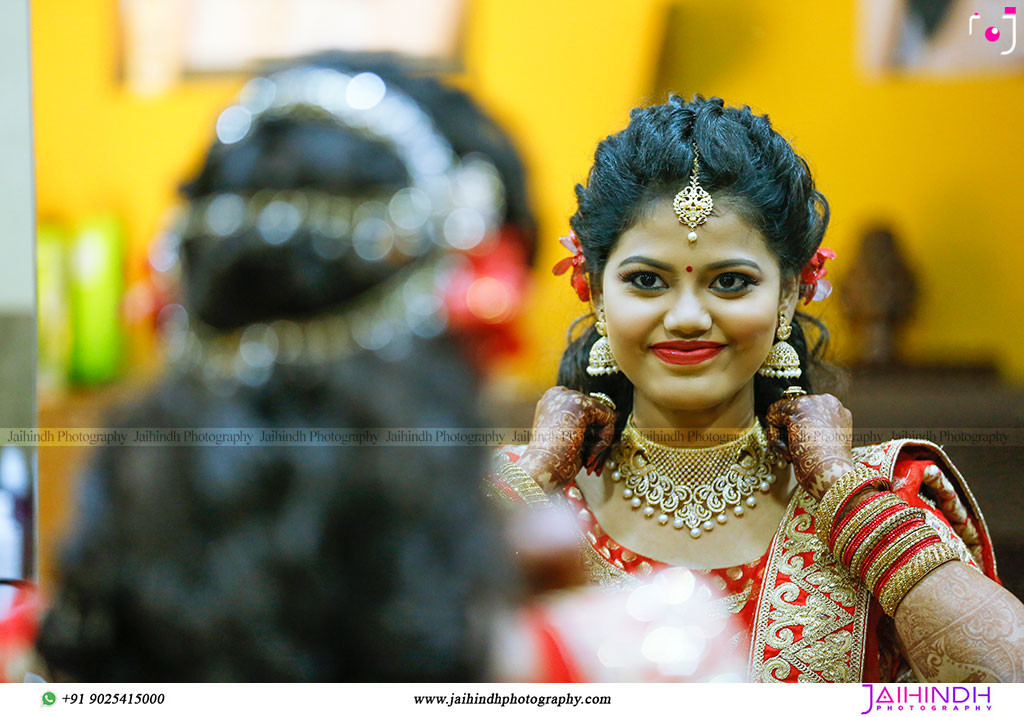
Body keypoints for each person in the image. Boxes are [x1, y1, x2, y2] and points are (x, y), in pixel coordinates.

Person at [489, 94, 1024, 682]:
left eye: (732, 282)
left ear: (789, 295)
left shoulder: (885, 497)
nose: (688, 316)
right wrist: (530, 479)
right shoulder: (514, 501)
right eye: (646, 280)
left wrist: (846, 494)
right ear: (593, 291)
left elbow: (1005, 688)